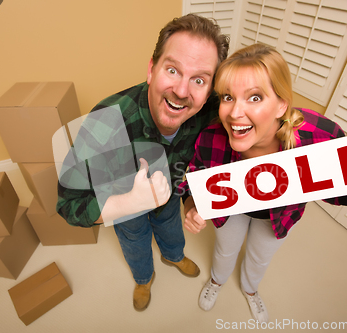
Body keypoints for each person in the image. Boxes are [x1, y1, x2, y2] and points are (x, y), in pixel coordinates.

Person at [180, 43, 347, 323]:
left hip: (279, 215)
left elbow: (338, 187)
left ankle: (250, 289)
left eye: (254, 98)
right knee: (225, 249)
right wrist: (192, 207)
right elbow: (193, 181)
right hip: (230, 210)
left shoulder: (318, 136)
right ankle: (217, 281)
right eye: (228, 97)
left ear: (281, 104)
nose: (234, 113)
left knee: (258, 257)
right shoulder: (210, 137)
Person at [56, 14, 230, 311]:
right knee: (135, 243)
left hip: (170, 195)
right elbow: (67, 204)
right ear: (152, 69)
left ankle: (173, 256)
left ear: (210, 88)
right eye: (172, 70)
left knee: (173, 230)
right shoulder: (106, 122)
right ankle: (144, 279)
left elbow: (255, 127)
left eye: (199, 79)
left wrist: (191, 201)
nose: (182, 91)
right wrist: (125, 204)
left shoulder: (210, 109)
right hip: (125, 206)